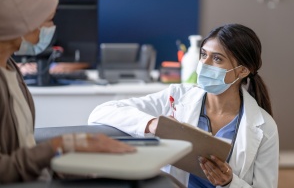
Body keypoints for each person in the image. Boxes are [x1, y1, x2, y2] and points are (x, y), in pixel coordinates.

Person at [88, 23, 279, 187]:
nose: (205, 63)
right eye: (204, 54)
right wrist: (153, 124)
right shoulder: (178, 96)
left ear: (243, 71)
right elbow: (101, 112)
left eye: (217, 59)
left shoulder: (265, 127)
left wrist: (229, 183)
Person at [0, 0, 136, 184]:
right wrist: (59, 146)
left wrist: (66, 165)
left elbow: (22, 147)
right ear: (22, 21)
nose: (51, 29)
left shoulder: (9, 68)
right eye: (48, 20)